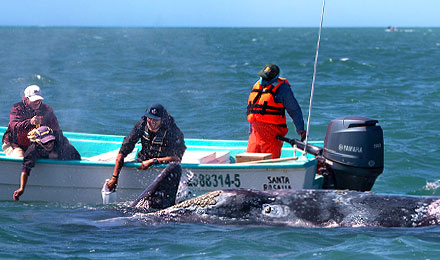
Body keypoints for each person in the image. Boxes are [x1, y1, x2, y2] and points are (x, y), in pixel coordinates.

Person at [106, 104, 186, 208]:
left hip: (161, 163)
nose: (152, 122)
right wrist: (114, 178)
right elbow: (123, 151)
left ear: (162, 120)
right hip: (142, 161)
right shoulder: (141, 126)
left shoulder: (171, 131)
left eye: (156, 119)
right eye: (150, 118)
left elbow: (177, 159)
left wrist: (153, 161)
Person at [246, 64, 306, 159]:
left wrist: (300, 129)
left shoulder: (282, 89)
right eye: (262, 77)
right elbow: (253, 112)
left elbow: (294, 110)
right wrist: (250, 132)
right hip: (254, 134)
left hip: (272, 135)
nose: (263, 81)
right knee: (248, 160)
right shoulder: (257, 86)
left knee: (270, 163)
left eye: (266, 78)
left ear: (275, 78)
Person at [13, 126, 81, 201]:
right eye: (45, 142)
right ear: (38, 141)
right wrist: (22, 188)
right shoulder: (33, 149)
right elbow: (25, 170)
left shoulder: (59, 140)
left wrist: (57, 155)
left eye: (51, 141)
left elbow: (76, 156)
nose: (49, 145)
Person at [2, 85, 60, 158]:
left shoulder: (46, 110)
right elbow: (14, 127)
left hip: (37, 145)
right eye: (34, 100)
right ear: (27, 99)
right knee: (19, 156)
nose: (37, 102)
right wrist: (30, 122)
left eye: (39, 100)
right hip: (15, 144)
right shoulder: (17, 109)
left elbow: (56, 129)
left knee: (55, 156)